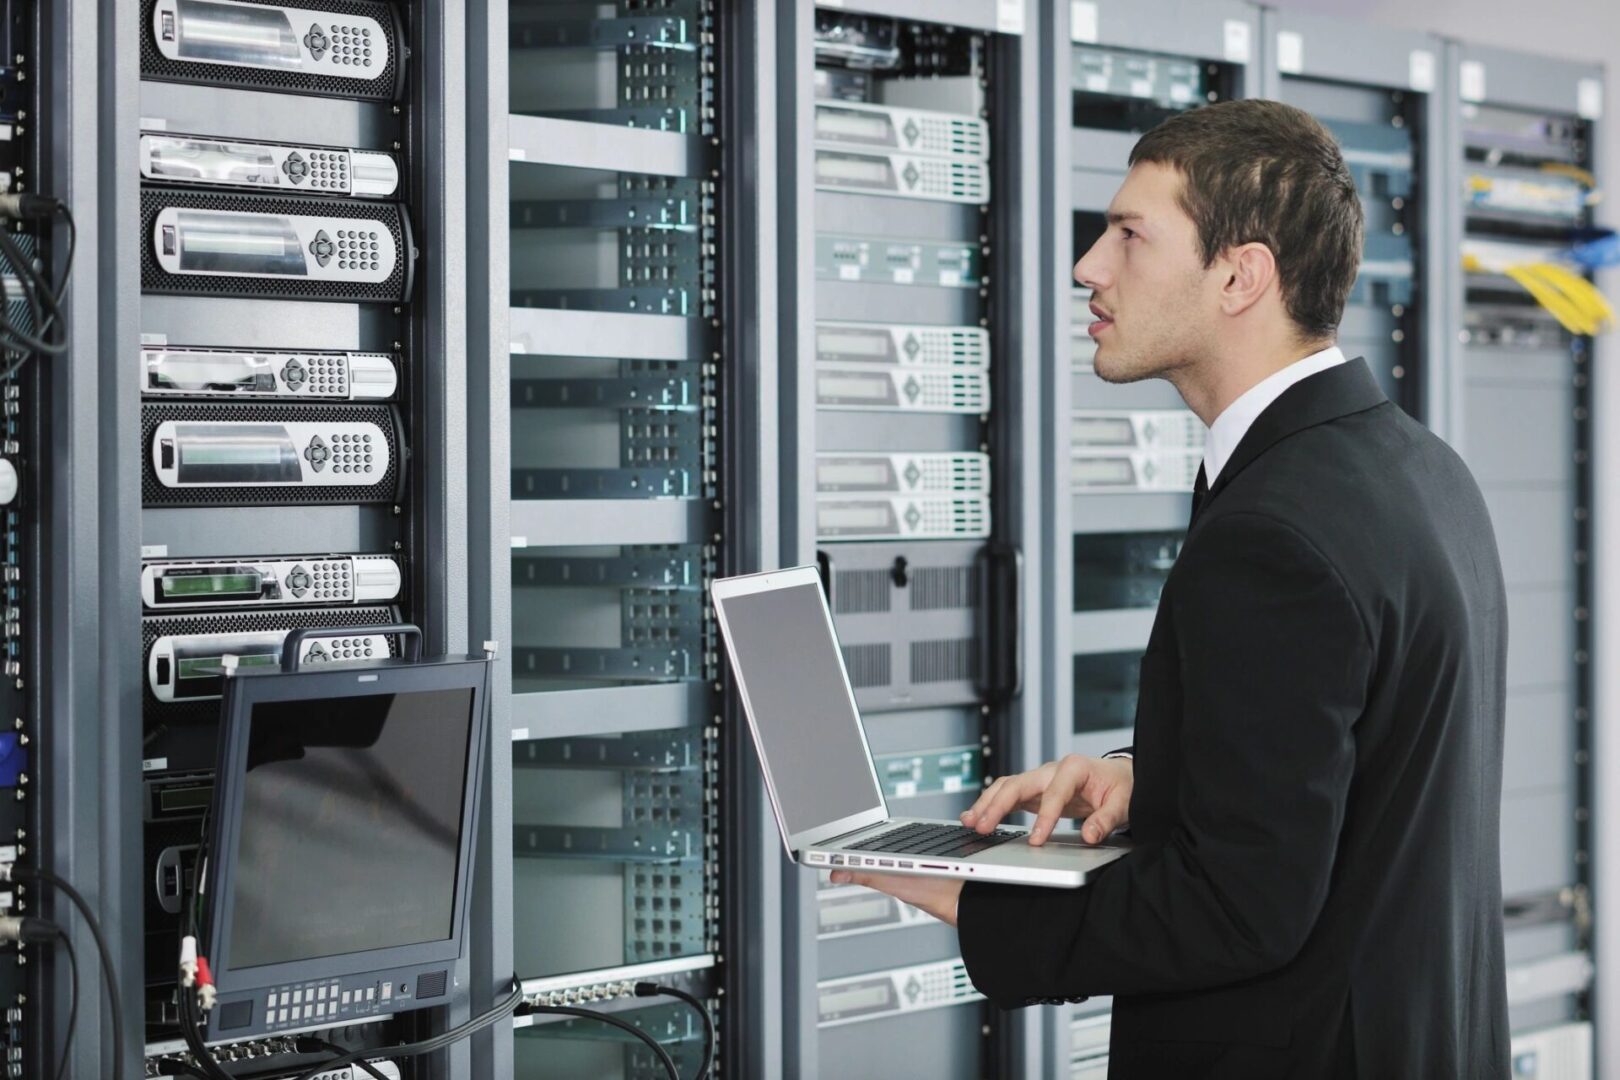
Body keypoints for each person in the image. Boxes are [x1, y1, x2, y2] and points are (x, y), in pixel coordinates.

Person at [829, 98, 1510, 1078]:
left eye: (1129, 236)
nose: (1087, 267)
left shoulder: (1273, 531)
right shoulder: (1417, 468)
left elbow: (1242, 911)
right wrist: (1162, 778)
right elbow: (1368, 779)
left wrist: (982, 898)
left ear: (1240, 275)